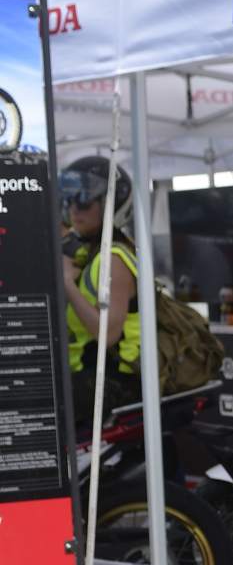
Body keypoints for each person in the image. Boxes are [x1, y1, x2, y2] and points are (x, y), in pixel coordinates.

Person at [58, 154, 140, 422]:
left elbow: (109, 333)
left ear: (110, 204)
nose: (74, 209)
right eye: (70, 200)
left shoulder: (114, 258)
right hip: (89, 376)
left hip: (114, 383)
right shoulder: (90, 254)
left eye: (84, 200)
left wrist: (67, 283)